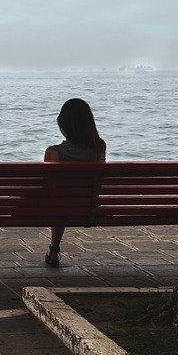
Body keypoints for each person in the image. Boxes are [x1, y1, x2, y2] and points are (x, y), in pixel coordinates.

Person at [43, 97, 107, 267]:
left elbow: (48, 188)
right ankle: (54, 250)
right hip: (89, 207)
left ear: (63, 126)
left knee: (57, 201)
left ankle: (54, 250)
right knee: (60, 200)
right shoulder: (99, 147)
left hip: (61, 207)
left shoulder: (54, 153)